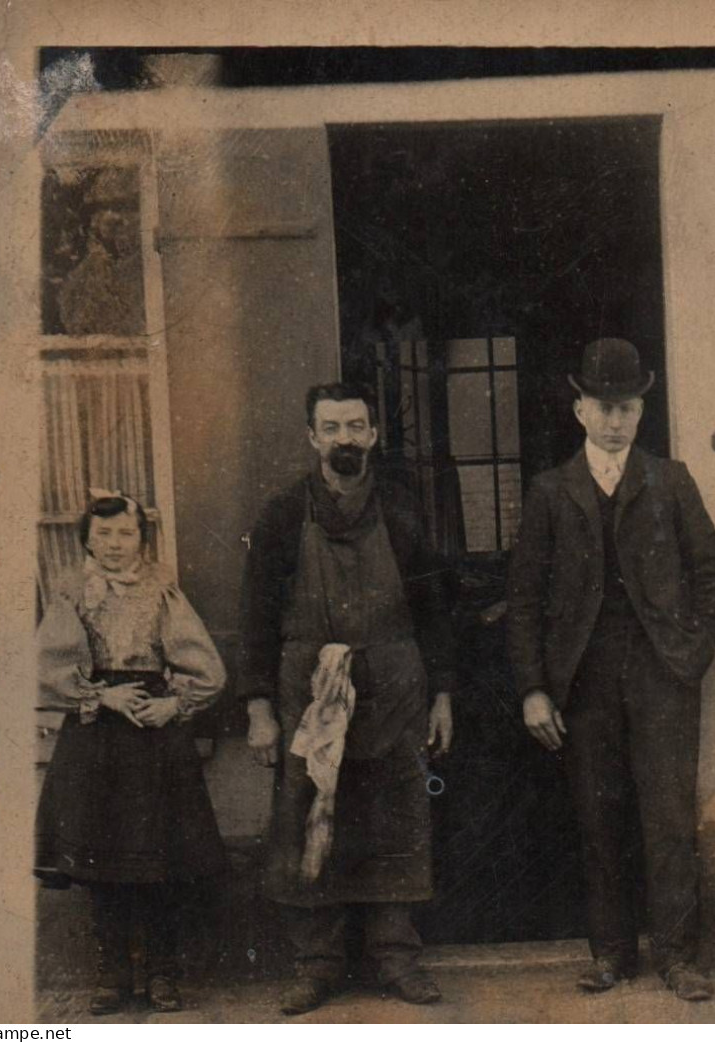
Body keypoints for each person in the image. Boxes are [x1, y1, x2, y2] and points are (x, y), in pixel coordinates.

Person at [506, 338, 715, 1002]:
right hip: (583, 683)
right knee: (598, 818)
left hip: (663, 675)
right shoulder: (550, 491)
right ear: (579, 410)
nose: (615, 420)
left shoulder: (671, 480)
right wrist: (533, 690)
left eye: (627, 407)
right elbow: (523, 600)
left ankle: (677, 956)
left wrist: (689, 657)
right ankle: (610, 953)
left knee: (666, 817)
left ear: (641, 410)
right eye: (603, 407)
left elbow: (714, 579)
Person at [241, 383, 456, 1015]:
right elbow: (255, 615)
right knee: (311, 814)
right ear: (312, 437)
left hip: (395, 686)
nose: (344, 439)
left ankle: (397, 958)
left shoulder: (404, 512)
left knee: (396, 815)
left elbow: (437, 609)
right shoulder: (282, 516)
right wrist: (258, 707)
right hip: (311, 692)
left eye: (356, 427)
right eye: (331, 428)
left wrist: (444, 692)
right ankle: (318, 964)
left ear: (373, 436)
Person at [36, 492, 228, 1015]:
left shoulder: (162, 591)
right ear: (86, 540)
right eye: (102, 535)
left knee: (159, 860)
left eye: (124, 534)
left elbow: (205, 668)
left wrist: (173, 706)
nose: (114, 545)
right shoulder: (72, 593)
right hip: (97, 735)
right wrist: (101, 694)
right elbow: (47, 668)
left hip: (152, 737)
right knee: (100, 860)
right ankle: (113, 976)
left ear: (141, 539)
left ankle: (163, 973)